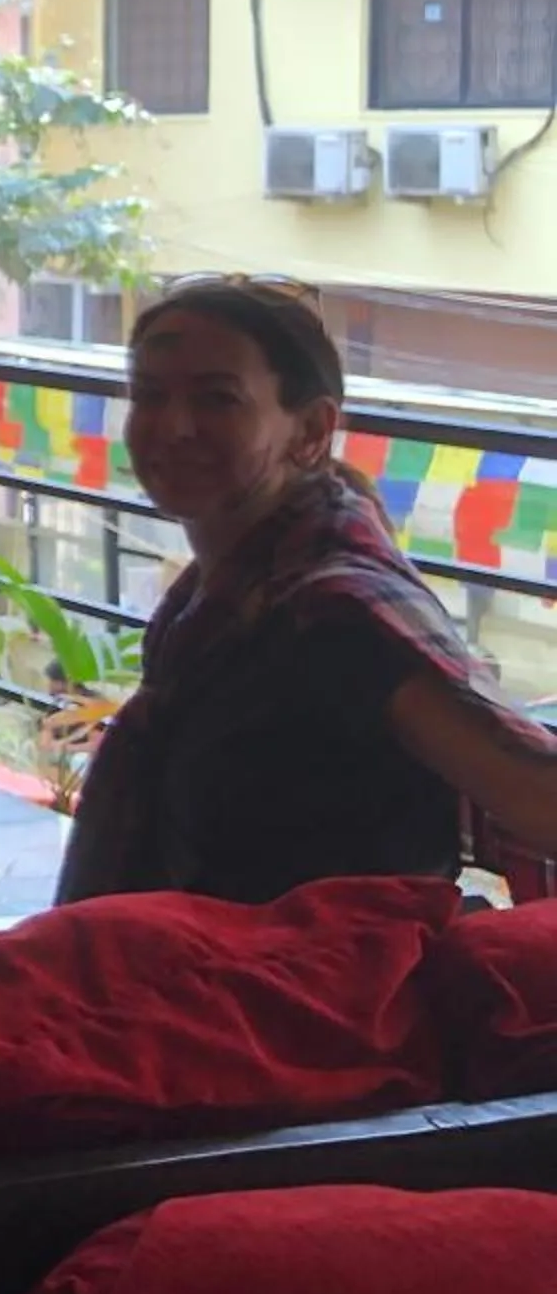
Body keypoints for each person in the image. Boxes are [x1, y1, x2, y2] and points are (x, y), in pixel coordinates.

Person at [60, 276, 557, 905]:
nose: (172, 427)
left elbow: (535, 795)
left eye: (217, 398)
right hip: (212, 971)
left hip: (312, 987)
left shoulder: (338, 615)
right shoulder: (216, 601)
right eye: (149, 395)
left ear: (312, 430)